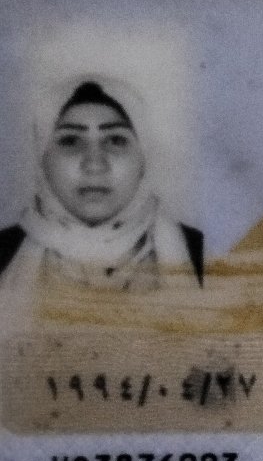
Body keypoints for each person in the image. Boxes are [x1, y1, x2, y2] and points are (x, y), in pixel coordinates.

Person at [0, 77, 203, 326]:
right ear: (43, 159)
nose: (94, 164)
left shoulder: (201, 254)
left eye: (115, 140)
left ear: (143, 158)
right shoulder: (4, 252)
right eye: (70, 141)